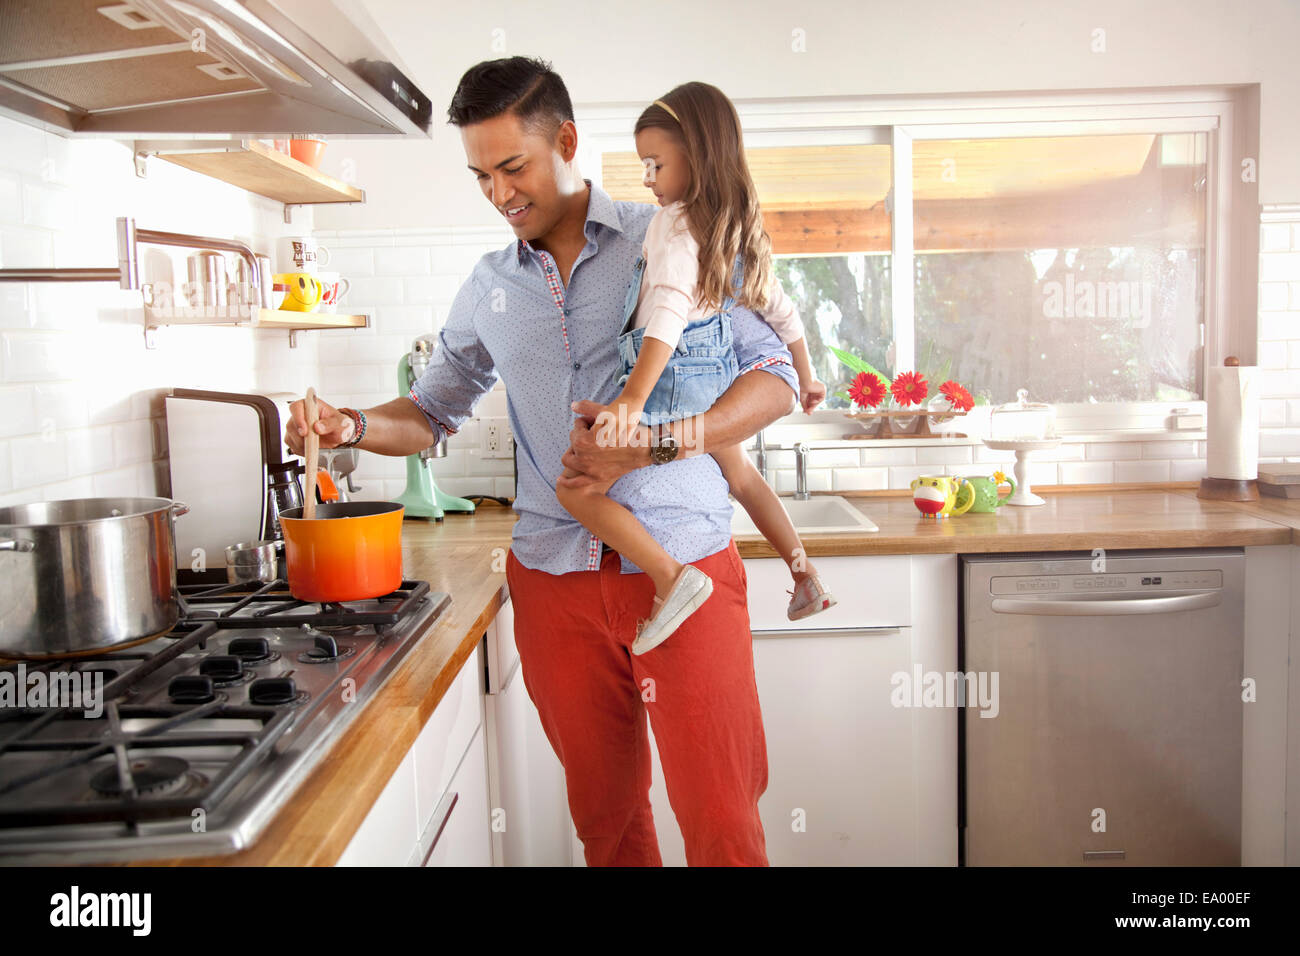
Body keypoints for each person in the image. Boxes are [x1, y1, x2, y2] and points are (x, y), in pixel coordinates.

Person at [284, 56, 799, 867]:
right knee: (609, 825)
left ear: (565, 140)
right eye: (480, 175)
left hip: (684, 569)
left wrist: (663, 440)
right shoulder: (489, 287)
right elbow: (428, 413)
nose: (499, 194)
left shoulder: (671, 233)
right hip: (554, 584)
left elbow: (779, 381)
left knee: (723, 823)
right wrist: (346, 425)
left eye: (513, 167)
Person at [554, 82, 837, 656]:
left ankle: (670, 578)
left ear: (699, 156)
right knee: (745, 478)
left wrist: (631, 401)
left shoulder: (675, 226)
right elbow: (784, 313)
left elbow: (667, 315)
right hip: (712, 378)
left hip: (673, 378)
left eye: (656, 164)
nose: (648, 179)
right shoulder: (736, 230)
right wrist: (807, 376)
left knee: (577, 487)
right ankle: (804, 572)